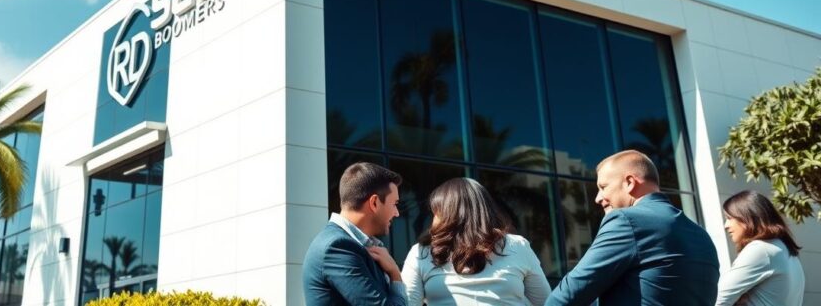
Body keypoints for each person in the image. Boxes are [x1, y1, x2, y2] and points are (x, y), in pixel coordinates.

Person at [546, 150, 719, 306]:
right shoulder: (701, 235)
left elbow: (571, 291)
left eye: (603, 187)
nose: (598, 198)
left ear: (629, 182)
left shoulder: (626, 220)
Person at [401, 177, 551, 305]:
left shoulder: (517, 245)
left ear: (452, 216)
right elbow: (547, 302)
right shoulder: (421, 252)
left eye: (436, 214)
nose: (433, 221)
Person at [303, 162, 407, 306]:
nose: (397, 213)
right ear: (374, 203)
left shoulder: (353, 245)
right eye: (394, 204)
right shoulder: (337, 248)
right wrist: (395, 275)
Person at [715, 190, 805, 306]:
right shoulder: (784, 250)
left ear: (748, 217)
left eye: (729, 218)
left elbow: (718, 300)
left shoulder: (761, 250)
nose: (726, 225)